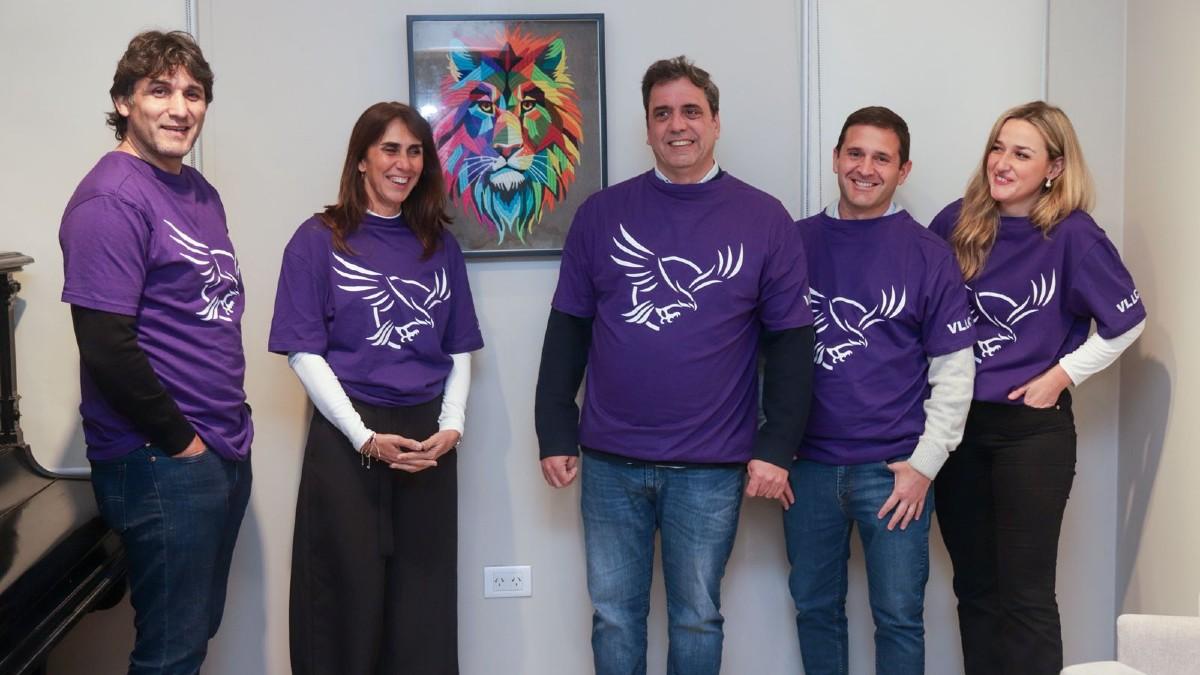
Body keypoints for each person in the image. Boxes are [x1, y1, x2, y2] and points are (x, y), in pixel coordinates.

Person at [534, 56, 815, 675]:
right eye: (662, 113)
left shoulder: (764, 219)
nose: (677, 125)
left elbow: (792, 345)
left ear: (715, 123)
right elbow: (568, 330)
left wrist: (777, 447)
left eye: (691, 111)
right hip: (609, 460)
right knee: (613, 616)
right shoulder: (601, 214)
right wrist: (554, 430)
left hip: (710, 466)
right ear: (647, 127)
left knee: (697, 617)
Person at [58, 30, 253, 675]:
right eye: (160, 90)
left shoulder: (197, 190)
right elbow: (106, 346)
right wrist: (184, 444)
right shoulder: (111, 199)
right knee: (170, 654)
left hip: (218, 444)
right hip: (162, 459)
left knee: (192, 638)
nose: (179, 108)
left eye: (193, 94)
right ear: (123, 102)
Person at [930, 101, 1146, 675]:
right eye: (997, 148)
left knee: (1025, 596)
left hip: (1030, 435)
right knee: (975, 589)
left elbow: (1128, 321)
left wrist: (1060, 376)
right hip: (957, 432)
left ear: (1053, 167)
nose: (1002, 163)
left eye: (1021, 153)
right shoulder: (955, 222)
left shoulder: (1073, 234)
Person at [268, 101, 483, 675]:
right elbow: (303, 352)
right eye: (390, 149)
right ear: (361, 159)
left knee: (422, 609)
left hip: (426, 442)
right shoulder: (318, 240)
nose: (403, 164)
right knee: (341, 602)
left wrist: (452, 425)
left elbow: (458, 346)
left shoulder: (439, 245)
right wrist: (363, 436)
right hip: (348, 437)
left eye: (414, 152)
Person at [786, 106, 976, 675]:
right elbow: (757, 352)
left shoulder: (928, 254)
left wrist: (925, 465)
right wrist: (771, 447)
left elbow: (954, 370)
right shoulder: (792, 243)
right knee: (815, 611)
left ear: (903, 170)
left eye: (881, 158)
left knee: (898, 619)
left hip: (895, 473)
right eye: (855, 153)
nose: (865, 169)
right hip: (807, 469)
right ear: (836, 158)